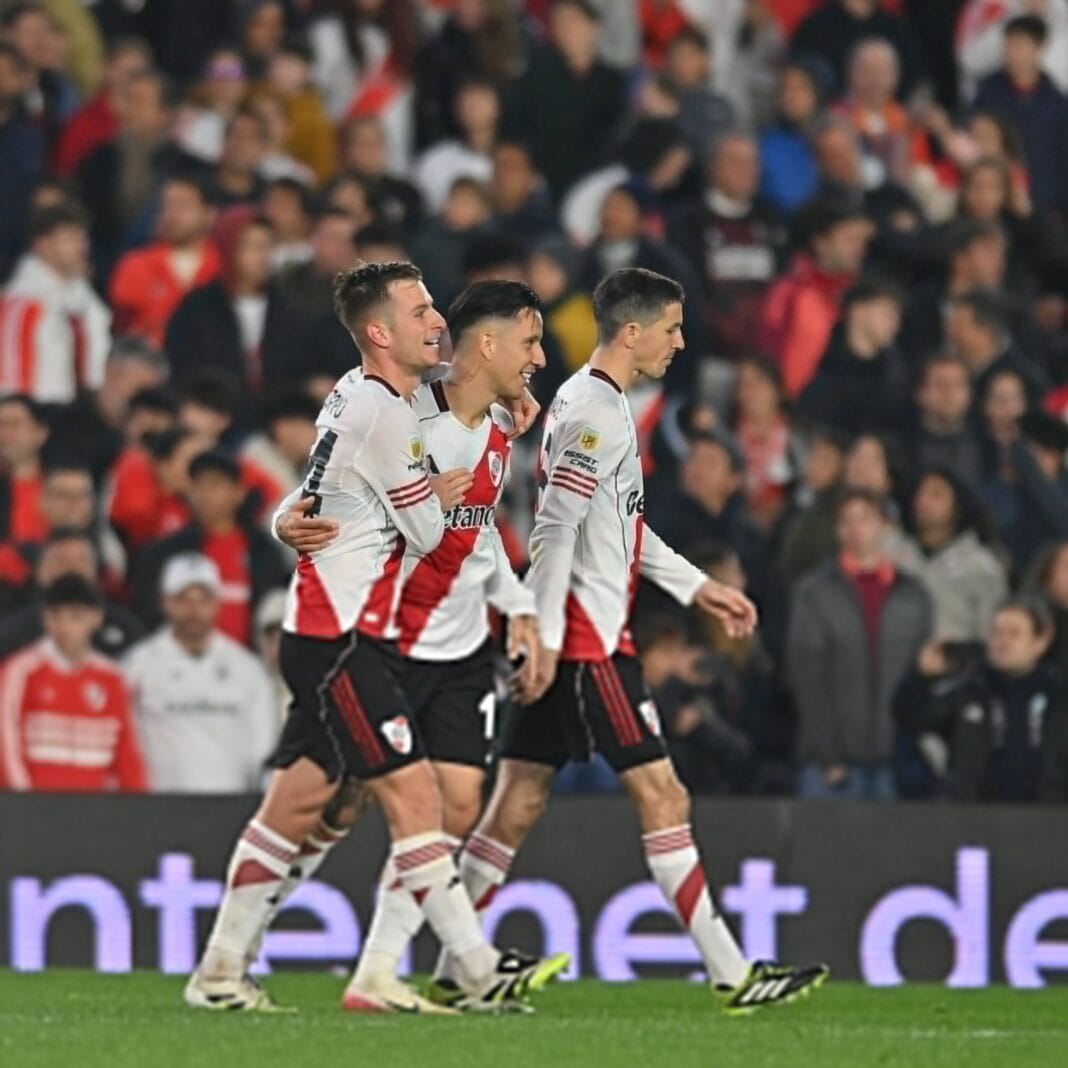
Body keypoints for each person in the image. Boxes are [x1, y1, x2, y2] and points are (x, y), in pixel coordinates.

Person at [185, 262, 560, 1014]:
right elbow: (424, 527)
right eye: (421, 309)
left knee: (298, 805)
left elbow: (329, 488)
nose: (437, 321)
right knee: (415, 798)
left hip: (345, 631)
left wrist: (285, 518)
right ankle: (474, 968)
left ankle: (220, 972)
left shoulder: (373, 399)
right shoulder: (397, 412)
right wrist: (435, 496)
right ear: (381, 332)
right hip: (346, 635)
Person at [461, 267, 827, 1013]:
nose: (680, 342)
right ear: (633, 332)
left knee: (519, 801)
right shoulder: (594, 411)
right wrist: (547, 636)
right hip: (588, 645)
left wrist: (697, 587)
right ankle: (732, 973)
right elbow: (556, 530)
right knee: (664, 793)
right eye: (671, 328)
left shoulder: (596, 404)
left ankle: (461, 966)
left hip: (576, 634)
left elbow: (618, 525)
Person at [788, 488, 932, 802]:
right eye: (846, 521)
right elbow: (807, 676)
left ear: (884, 525)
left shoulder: (913, 596)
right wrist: (827, 753)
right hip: (832, 761)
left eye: (865, 519)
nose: (856, 530)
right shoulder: (814, 593)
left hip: (897, 759)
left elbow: (922, 676)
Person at [124, 553, 279, 793]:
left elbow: (263, 751)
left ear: (217, 602)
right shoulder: (138, 666)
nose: (193, 610)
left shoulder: (247, 669)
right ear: (165, 602)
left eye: (203, 599)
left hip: (230, 807)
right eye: (183, 599)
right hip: (157, 807)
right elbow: (127, 742)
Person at [899, 597, 1068, 802]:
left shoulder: (1059, 697)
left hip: (1048, 820)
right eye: (996, 633)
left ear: (1040, 642)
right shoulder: (969, 691)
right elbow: (912, 718)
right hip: (975, 820)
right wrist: (920, 677)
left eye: (1014, 634)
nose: (1002, 641)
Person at [0, 573, 147, 793]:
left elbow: (127, 753)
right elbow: (5, 745)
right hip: (35, 812)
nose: (64, 626)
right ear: (44, 618)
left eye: (75, 616)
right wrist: (25, 804)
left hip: (94, 813)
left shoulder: (112, 679)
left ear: (96, 618)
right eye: (55, 616)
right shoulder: (21, 672)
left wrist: (136, 807)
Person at [131, 448, 287, 644]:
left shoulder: (263, 552)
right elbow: (148, 612)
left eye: (215, 485)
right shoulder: (164, 552)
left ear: (238, 493)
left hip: (249, 664)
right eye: (198, 485)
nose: (204, 495)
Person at [667, 132, 787, 362]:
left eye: (752, 163)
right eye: (736, 162)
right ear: (713, 168)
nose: (747, 171)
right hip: (707, 355)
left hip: (764, 359)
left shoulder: (774, 223)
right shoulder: (686, 225)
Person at [758, 196, 873, 397]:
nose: (859, 249)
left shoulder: (863, 293)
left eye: (861, 241)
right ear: (821, 243)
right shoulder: (792, 292)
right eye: (850, 239)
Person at [0, 204, 111, 402]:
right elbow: (11, 377)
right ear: (42, 244)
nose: (81, 246)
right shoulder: (22, 302)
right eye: (69, 238)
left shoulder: (88, 300)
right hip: (43, 413)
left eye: (83, 237)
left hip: (83, 411)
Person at [108, 175, 221, 348]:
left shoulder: (223, 267)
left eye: (184, 206)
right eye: (167, 206)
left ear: (210, 214)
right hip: (150, 365)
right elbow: (123, 327)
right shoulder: (135, 265)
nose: (172, 214)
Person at [0, 527, 143, 661]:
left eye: (81, 561)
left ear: (95, 571)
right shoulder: (12, 635)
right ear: (41, 571)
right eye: (62, 561)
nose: (72, 568)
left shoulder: (126, 628)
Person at [899, 468, 1008, 644]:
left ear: (957, 506)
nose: (923, 501)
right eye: (920, 493)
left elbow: (992, 634)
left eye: (936, 494)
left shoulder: (982, 567)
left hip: (958, 665)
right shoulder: (892, 554)